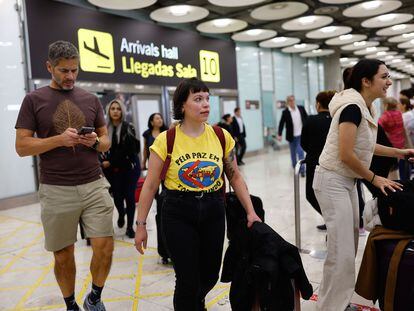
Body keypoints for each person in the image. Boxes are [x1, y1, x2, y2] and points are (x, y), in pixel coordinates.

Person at [134, 77, 261, 310]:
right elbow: (151, 184)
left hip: (213, 207)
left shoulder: (220, 136)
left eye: (207, 99)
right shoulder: (166, 140)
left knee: (211, 273)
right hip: (177, 211)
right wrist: (141, 225)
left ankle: (194, 301)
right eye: (198, 99)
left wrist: (250, 211)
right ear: (182, 105)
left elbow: (234, 176)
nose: (206, 105)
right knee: (187, 278)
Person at [15, 41, 113, 311]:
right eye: (63, 70)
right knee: (63, 255)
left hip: (94, 183)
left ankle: (94, 297)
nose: (70, 76)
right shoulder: (34, 100)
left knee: (105, 246)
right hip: (56, 188)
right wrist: (58, 140)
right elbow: (22, 146)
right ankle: (71, 305)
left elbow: (106, 142)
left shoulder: (91, 99)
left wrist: (95, 141)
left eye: (74, 70)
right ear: (49, 67)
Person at [312, 58, 414, 311]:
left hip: (345, 181)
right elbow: (346, 153)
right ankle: (332, 307)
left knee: (347, 247)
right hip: (333, 180)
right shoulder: (352, 108)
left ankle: (335, 302)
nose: (389, 82)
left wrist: (400, 153)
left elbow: (366, 146)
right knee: (342, 250)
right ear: (366, 81)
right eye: (384, 77)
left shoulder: (365, 107)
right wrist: (373, 178)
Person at [102, 99, 141, 238]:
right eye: (112, 108)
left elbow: (129, 150)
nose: (115, 111)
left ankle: (130, 227)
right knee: (117, 198)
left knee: (130, 197)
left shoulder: (128, 127)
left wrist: (110, 162)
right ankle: (121, 213)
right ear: (108, 111)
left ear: (122, 111)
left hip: (129, 168)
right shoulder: (104, 129)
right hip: (113, 171)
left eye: (118, 109)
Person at [300, 90, 336, 230]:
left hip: (314, 162)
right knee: (332, 195)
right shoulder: (336, 120)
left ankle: (330, 220)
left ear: (318, 104)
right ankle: (333, 220)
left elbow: (303, 143)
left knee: (311, 194)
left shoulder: (311, 120)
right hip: (334, 164)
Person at [141, 112, 169, 263]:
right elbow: (146, 149)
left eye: (160, 118)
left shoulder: (167, 133)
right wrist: (143, 161)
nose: (160, 120)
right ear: (151, 121)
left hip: (167, 172)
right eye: (157, 118)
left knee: (165, 197)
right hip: (154, 170)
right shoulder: (147, 134)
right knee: (157, 199)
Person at [277, 95, 308, 176]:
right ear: (287, 102)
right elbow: (281, 124)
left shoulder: (301, 108)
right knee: (293, 155)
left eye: (293, 100)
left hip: (301, 135)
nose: (292, 102)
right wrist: (279, 134)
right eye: (290, 101)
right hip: (291, 137)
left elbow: (307, 119)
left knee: (300, 151)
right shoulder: (285, 112)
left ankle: (302, 170)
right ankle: (295, 167)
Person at [379, 97, 407, 180]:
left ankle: (393, 183)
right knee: (398, 164)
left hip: (391, 144)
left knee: (391, 168)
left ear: (386, 105)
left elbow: (378, 127)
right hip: (400, 143)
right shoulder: (399, 113)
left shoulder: (386, 116)